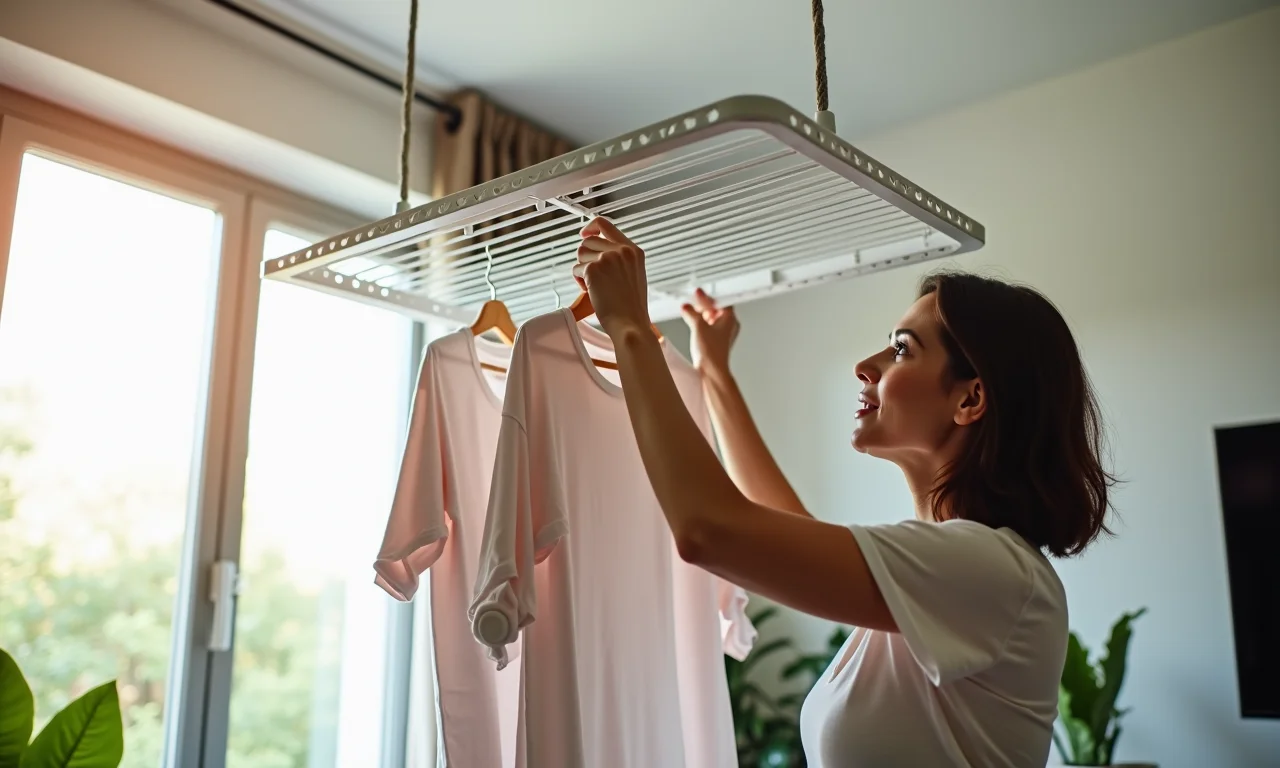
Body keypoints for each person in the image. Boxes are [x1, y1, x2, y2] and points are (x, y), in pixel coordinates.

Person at [572, 217, 1116, 767]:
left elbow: (709, 530)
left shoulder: (992, 571)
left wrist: (630, 329)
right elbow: (779, 524)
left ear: (970, 400)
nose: (865, 367)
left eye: (901, 350)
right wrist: (714, 371)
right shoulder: (953, 575)